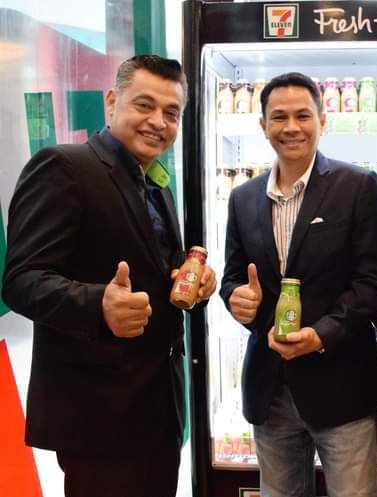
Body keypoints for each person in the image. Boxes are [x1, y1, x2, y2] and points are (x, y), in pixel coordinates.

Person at [2, 55, 217, 497]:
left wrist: (192, 280)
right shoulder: (63, 167)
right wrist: (98, 305)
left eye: (171, 112)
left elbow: (156, 266)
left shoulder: (156, 183)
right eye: (144, 105)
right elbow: (21, 280)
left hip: (159, 408)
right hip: (97, 414)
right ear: (111, 101)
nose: (158, 122)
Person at [220, 72, 377, 497]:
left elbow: (371, 280)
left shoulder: (358, 185)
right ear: (263, 125)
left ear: (322, 120)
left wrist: (321, 335)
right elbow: (233, 278)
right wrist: (237, 300)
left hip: (343, 385)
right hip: (270, 388)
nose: (291, 127)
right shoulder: (243, 198)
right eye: (279, 117)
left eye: (303, 115)